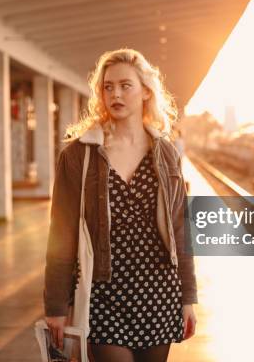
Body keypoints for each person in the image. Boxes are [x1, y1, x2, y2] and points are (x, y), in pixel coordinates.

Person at [44, 49, 198, 362]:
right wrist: (56, 306)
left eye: (125, 86)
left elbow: (181, 228)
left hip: (158, 291)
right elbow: (61, 233)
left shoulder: (165, 153)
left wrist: (188, 297)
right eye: (108, 86)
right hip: (103, 293)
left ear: (145, 92)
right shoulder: (79, 155)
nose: (115, 93)